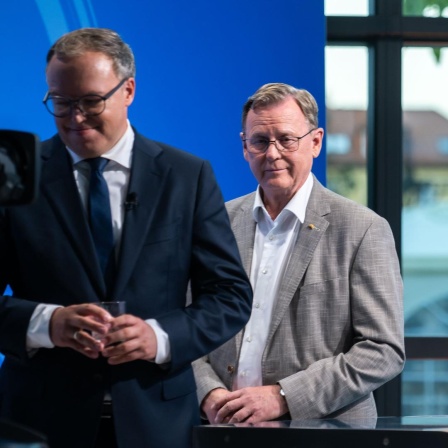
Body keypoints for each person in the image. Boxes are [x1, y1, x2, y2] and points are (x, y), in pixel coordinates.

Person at [0, 28, 252, 448]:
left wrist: (159, 337)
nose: (75, 117)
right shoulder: (16, 175)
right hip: (41, 423)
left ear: (128, 90)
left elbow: (230, 296)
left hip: (158, 424)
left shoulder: (187, 176)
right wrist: (47, 324)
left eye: (91, 101)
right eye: (60, 103)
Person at [192, 83, 405, 424]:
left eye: (286, 139)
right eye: (260, 141)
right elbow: (188, 326)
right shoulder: (217, 223)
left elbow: (383, 351)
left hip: (322, 432)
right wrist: (208, 392)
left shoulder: (362, 229)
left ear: (316, 141)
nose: (272, 153)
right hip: (220, 429)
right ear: (245, 147)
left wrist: (284, 396)